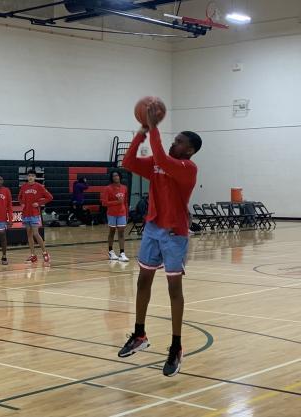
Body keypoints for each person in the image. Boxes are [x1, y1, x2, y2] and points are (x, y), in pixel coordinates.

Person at [119, 102, 202, 377]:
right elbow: (128, 162)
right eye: (173, 139)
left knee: (173, 290)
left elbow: (164, 160)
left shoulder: (187, 168)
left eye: (178, 142)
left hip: (174, 234)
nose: (173, 143)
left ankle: (176, 347)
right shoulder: (157, 162)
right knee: (143, 281)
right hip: (153, 229)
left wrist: (153, 126)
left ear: (188, 150)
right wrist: (142, 132)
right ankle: (140, 335)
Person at [18, 170, 53, 263]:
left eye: (32, 176)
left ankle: (45, 253)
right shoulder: (24, 187)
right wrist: (21, 203)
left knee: (36, 233)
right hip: (26, 214)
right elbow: (19, 197)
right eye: (29, 175)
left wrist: (39, 203)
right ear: (27, 177)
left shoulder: (39, 186)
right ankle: (33, 255)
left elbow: (50, 197)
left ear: (35, 177)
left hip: (34, 214)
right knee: (29, 235)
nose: (30, 177)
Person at [101, 171, 129, 262]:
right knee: (112, 232)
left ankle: (122, 253)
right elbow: (104, 203)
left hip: (122, 213)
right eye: (114, 176)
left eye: (117, 175)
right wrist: (117, 202)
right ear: (111, 178)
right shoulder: (107, 188)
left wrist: (127, 214)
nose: (116, 177)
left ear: (120, 176)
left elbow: (125, 203)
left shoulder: (124, 188)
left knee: (121, 232)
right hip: (112, 214)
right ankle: (111, 251)